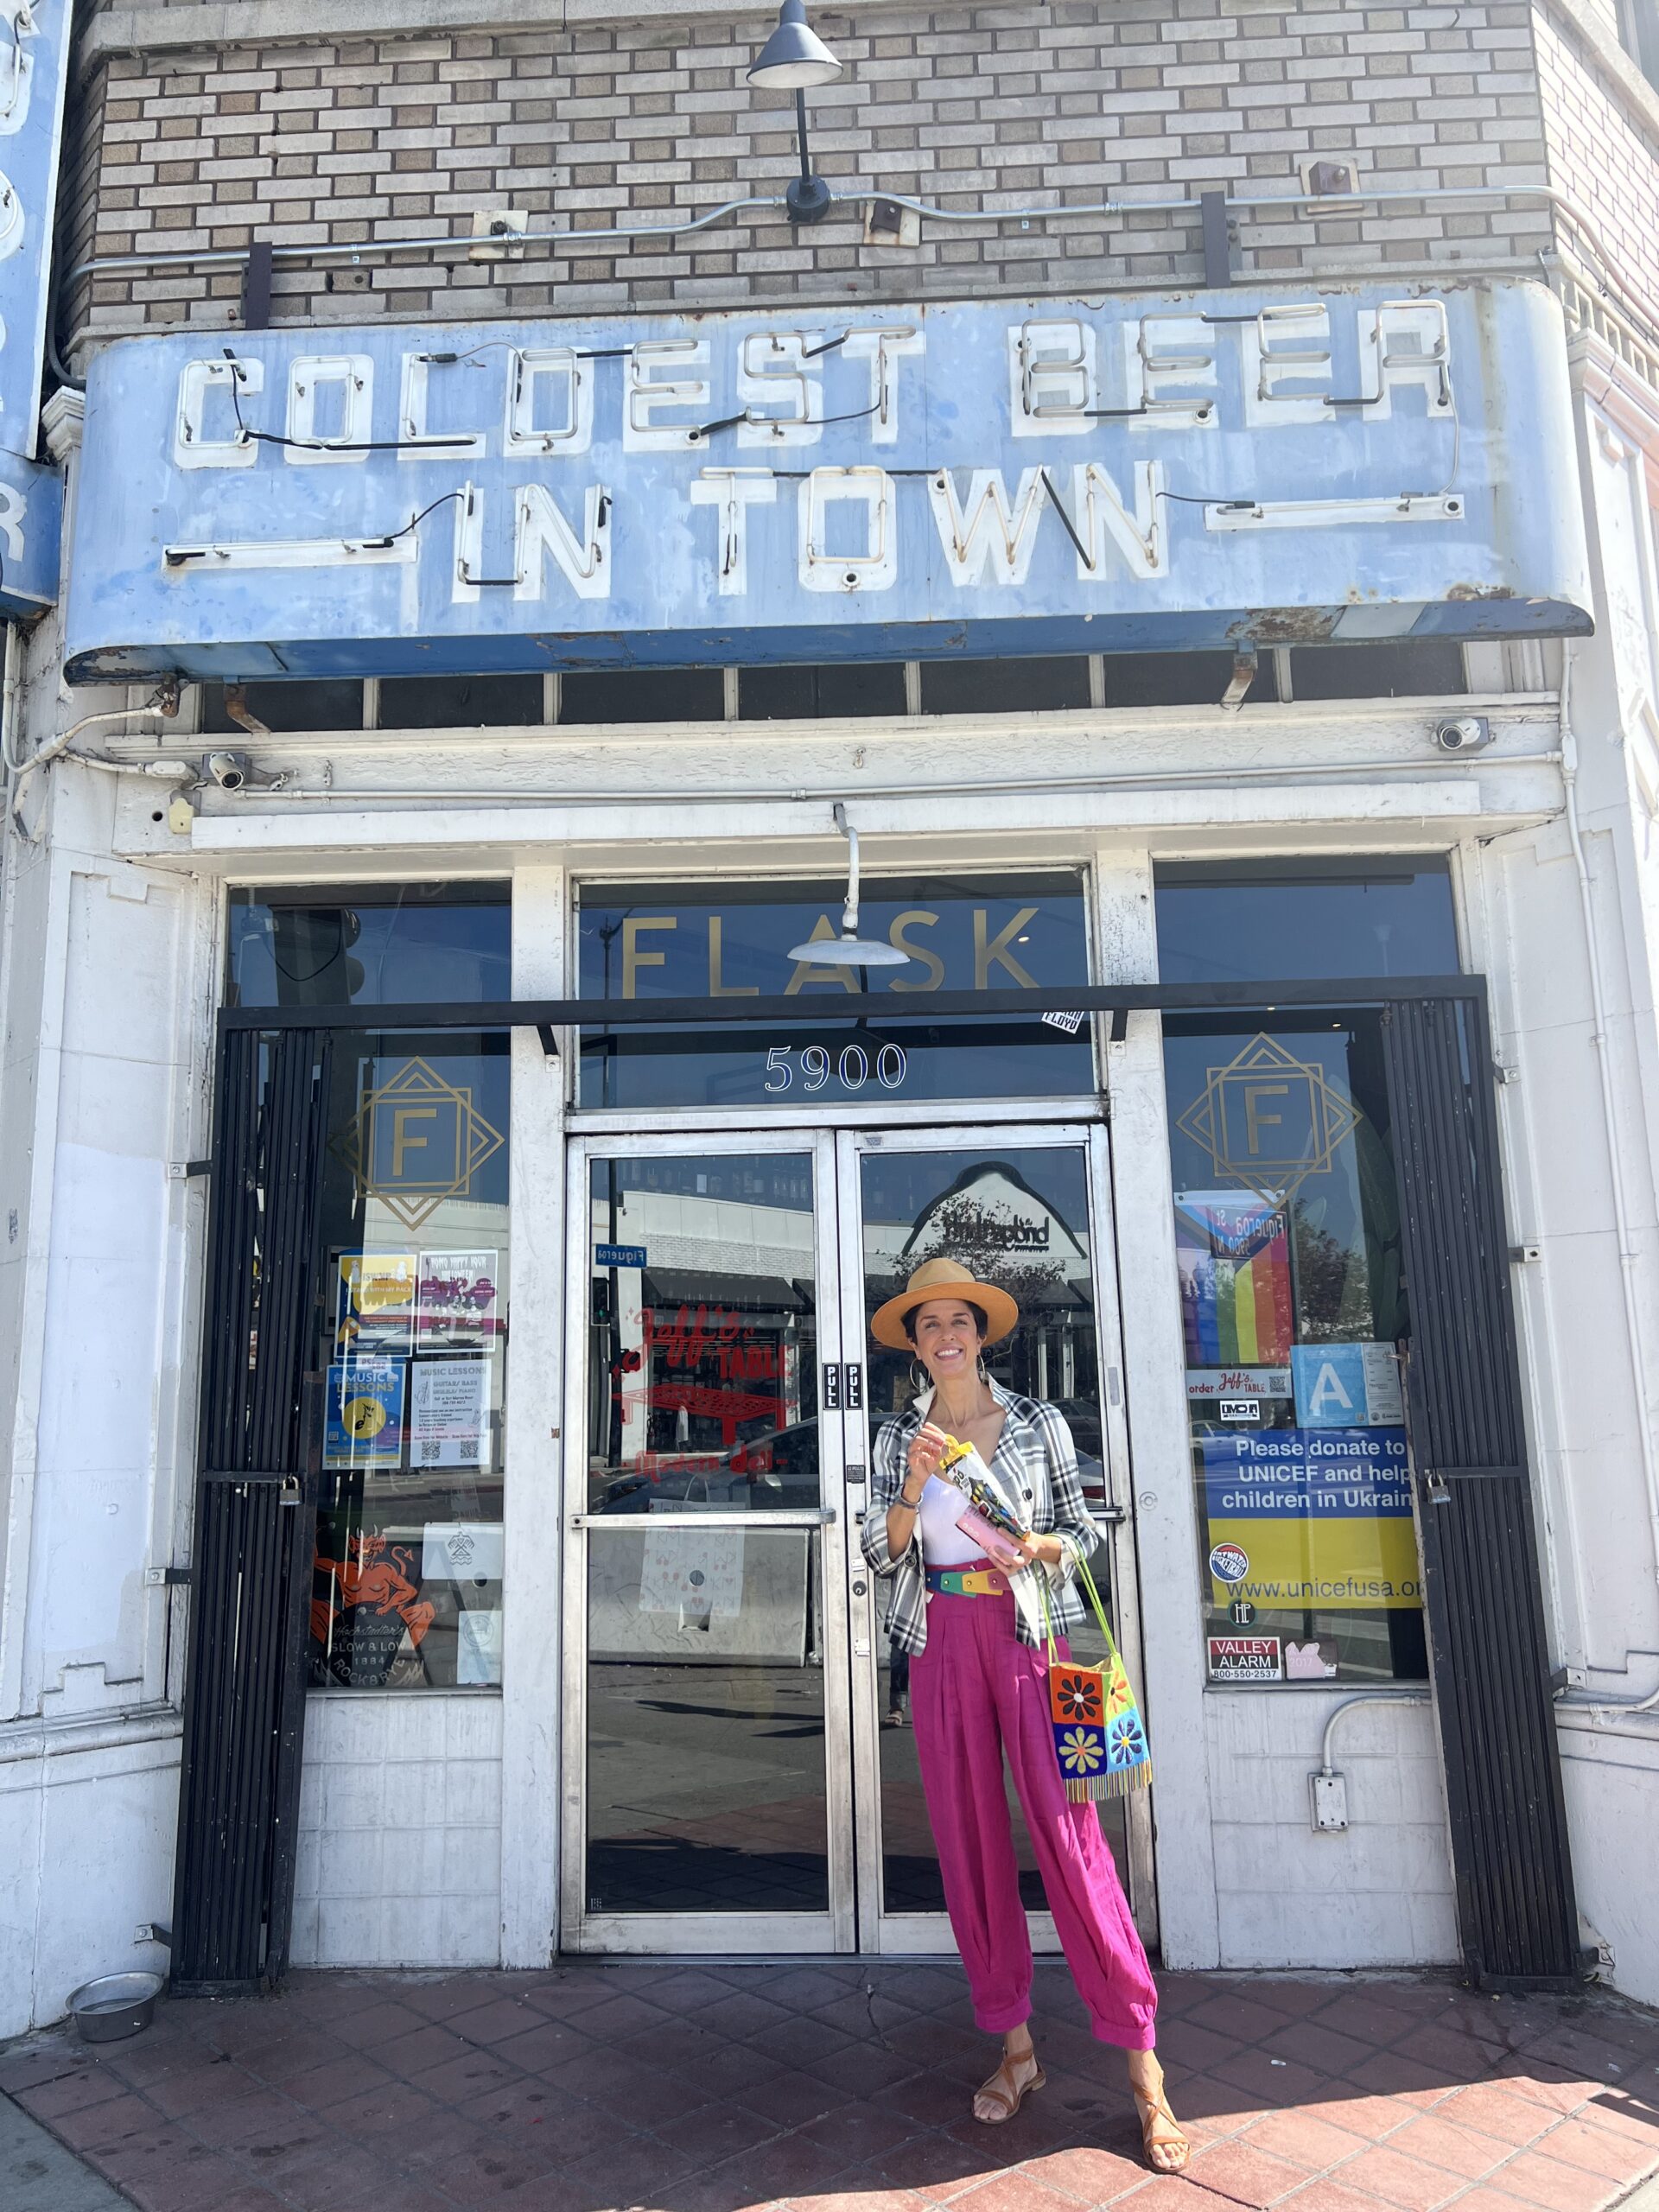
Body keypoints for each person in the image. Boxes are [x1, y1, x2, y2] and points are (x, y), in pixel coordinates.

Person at [863, 1255, 1189, 2175]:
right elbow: (877, 1550)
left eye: (959, 1319)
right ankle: (1015, 2048)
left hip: (1027, 1639)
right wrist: (905, 1488)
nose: (946, 1335)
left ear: (982, 1332)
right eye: (928, 1324)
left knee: (1070, 1838)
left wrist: (1047, 1542)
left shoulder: (1038, 1422)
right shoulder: (901, 1436)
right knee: (967, 1846)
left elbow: (1084, 1530)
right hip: (939, 1644)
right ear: (917, 1344)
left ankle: (1142, 2061)